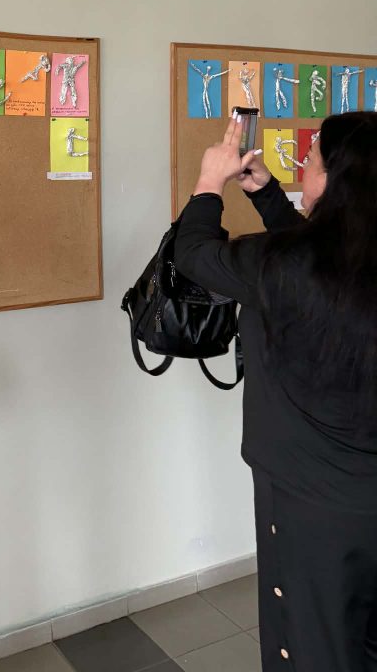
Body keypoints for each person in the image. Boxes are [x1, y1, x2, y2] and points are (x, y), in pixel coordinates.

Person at [174, 110, 377, 671]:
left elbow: (194, 256)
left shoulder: (287, 266)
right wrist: (265, 195)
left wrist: (209, 183)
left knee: (314, 645)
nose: (302, 168)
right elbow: (321, 257)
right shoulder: (331, 259)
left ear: (336, 180)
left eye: (310, 160)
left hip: (311, 500)